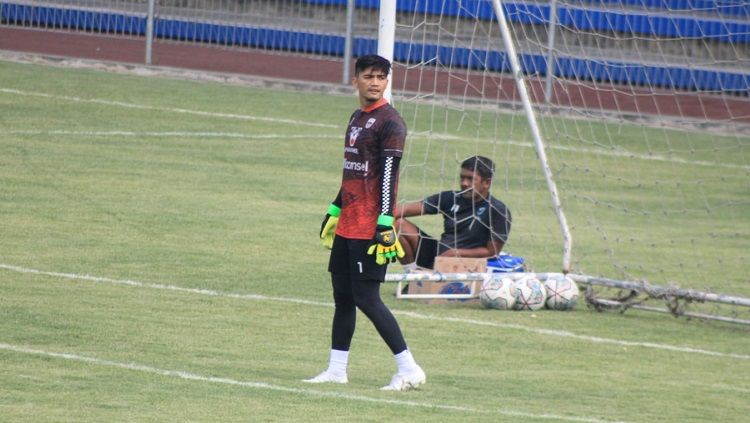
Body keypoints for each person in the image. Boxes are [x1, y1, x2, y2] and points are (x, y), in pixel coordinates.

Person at [304, 54, 426, 391]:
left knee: (368, 298)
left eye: (381, 77)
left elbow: (388, 176)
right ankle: (336, 370)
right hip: (348, 224)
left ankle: (409, 367)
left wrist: (385, 223)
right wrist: (334, 208)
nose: (375, 82)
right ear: (354, 79)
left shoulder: (391, 123)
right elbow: (352, 172)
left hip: (371, 228)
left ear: (387, 81)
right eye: (369, 76)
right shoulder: (357, 117)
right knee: (343, 297)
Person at [395, 155, 511, 271]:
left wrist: (455, 253)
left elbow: (492, 252)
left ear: (487, 183)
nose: (464, 183)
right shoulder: (451, 197)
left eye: (470, 179)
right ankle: (413, 275)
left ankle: (423, 280)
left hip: (466, 263)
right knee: (396, 223)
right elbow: (406, 209)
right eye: (462, 178)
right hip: (438, 254)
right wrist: (381, 216)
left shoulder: (497, 210)